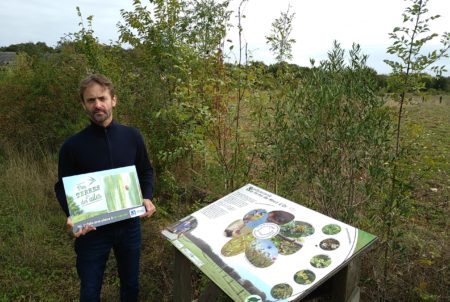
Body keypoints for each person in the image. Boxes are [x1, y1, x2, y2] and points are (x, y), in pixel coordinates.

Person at [54, 74, 156, 302]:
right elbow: (62, 186)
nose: (97, 104)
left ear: (113, 100)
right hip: (92, 229)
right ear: (84, 105)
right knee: (90, 291)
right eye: (91, 100)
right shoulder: (72, 146)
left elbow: (146, 171)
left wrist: (147, 196)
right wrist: (72, 215)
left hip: (129, 225)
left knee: (131, 285)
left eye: (102, 98)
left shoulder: (132, 136)